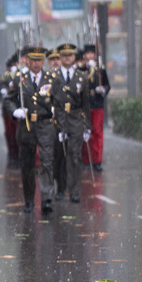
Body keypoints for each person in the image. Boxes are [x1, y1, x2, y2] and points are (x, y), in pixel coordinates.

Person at [9, 45, 55, 215]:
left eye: (39, 60)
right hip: (26, 126)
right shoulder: (20, 79)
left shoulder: (51, 78)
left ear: (43, 61)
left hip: (45, 125)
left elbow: (57, 99)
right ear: (27, 60)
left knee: (46, 162)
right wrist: (15, 111)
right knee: (27, 165)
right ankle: (29, 200)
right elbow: (8, 99)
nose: (36, 63)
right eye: (33, 60)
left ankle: (46, 200)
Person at [49, 43, 91, 203]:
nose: (67, 58)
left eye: (70, 55)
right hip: (58, 119)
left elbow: (86, 104)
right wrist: (56, 122)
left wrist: (87, 126)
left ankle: (74, 191)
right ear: (60, 57)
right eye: (64, 55)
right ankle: (60, 188)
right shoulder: (53, 78)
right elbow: (51, 101)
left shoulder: (82, 77)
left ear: (74, 57)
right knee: (59, 156)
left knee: (75, 155)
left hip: (75, 119)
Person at [80, 43, 110, 172]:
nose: (90, 56)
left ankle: (97, 160)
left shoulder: (100, 70)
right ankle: (86, 161)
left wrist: (102, 89)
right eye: (88, 53)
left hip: (97, 104)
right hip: (85, 105)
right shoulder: (81, 70)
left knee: (97, 133)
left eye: (92, 53)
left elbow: (107, 85)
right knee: (86, 133)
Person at [45, 48, 67, 198]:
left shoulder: (65, 78)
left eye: (57, 59)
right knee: (48, 157)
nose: (55, 62)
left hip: (62, 122)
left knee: (62, 158)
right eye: (52, 59)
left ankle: (61, 188)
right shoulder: (45, 79)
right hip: (47, 123)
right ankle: (49, 185)